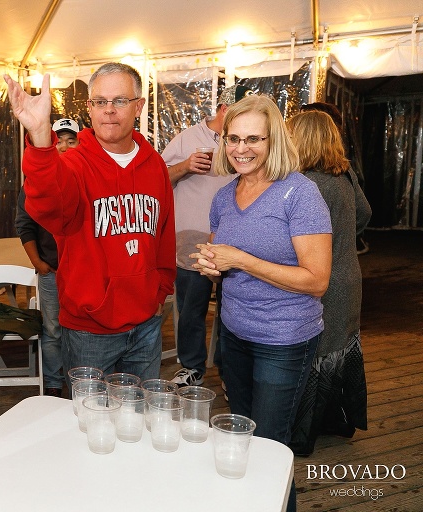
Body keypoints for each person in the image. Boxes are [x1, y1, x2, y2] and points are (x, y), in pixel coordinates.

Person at [190, 95, 332, 512]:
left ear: (275, 142)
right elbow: (224, 256)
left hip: (283, 339)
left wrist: (243, 261)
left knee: (270, 447)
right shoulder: (224, 196)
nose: (240, 148)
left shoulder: (299, 194)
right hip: (235, 334)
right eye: (233, 138)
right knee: (239, 438)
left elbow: (317, 280)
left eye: (254, 138)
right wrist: (212, 264)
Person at [4, 63, 176, 384]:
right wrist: (41, 137)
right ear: (89, 107)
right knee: (89, 424)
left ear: (138, 106)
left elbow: (164, 237)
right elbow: (46, 207)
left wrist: (159, 294)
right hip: (89, 330)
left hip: (146, 324)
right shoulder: (73, 164)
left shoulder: (155, 166)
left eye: (120, 101)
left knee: (139, 420)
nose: (109, 111)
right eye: (100, 102)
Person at [286, 110, 371, 456]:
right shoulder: (344, 174)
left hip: (323, 282)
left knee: (316, 358)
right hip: (349, 277)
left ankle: (303, 436)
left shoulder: (306, 185)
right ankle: (339, 421)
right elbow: (365, 213)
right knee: (340, 352)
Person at [160, 84, 253, 387]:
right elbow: (156, 177)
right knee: (191, 309)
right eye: (240, 116)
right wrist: (185, 166)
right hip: (194, 238)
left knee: (234, 309)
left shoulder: (241, 144)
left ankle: (231, 372)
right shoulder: (188, 138)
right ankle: (192, 367)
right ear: (224, 110)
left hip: (236, 240)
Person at [15, 118, 79, 398]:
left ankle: (80, 383)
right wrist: (39, 264)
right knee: (53, 329)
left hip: (82, 273)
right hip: (52, 271)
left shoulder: (88, 177)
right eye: (59, 140)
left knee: (83, 332)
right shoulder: (35, 182)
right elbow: (24, 224)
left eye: (71, 140)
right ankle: (53, 384)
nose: (64, 146)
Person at [300, 101, 370, 255]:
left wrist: (334, 239)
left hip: (326, 271)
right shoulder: (343, 168)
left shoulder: (311, 180)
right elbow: (364, 212)